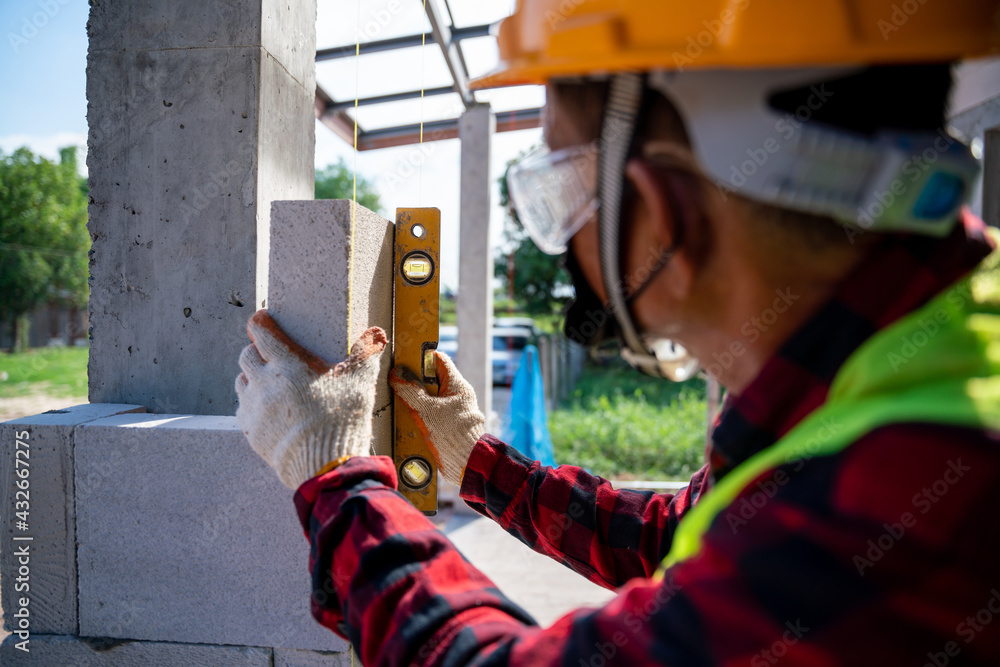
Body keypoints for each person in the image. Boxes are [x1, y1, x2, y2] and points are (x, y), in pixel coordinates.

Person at [235, 1, 1000, 664]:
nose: (563, 238)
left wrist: (335, 478)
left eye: (562, 192)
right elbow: (686, 540)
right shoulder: (914, 351)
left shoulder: (908, 481)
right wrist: (478, 460)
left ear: (658, 208)